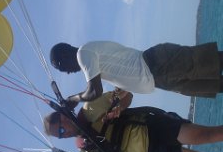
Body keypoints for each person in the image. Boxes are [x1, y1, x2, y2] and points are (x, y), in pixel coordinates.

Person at [43, 91, 223, 152]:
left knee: (207, 135)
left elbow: (126, 94)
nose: (64, 129)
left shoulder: (90, 108)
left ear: (64, 115)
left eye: (60, 122)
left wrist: (119, 107)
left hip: (153, 129)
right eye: (60, 133)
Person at [49, 41, 223, 108]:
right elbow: (124, 67)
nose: (69, 72)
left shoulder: (83, 54)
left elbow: (95, 92)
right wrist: (121, 90)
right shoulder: (92, 60)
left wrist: (72, 100)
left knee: (213, 62)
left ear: (63, 58)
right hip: (159, 77)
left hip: (158, 64)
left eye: (63, 69)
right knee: (213, 83)